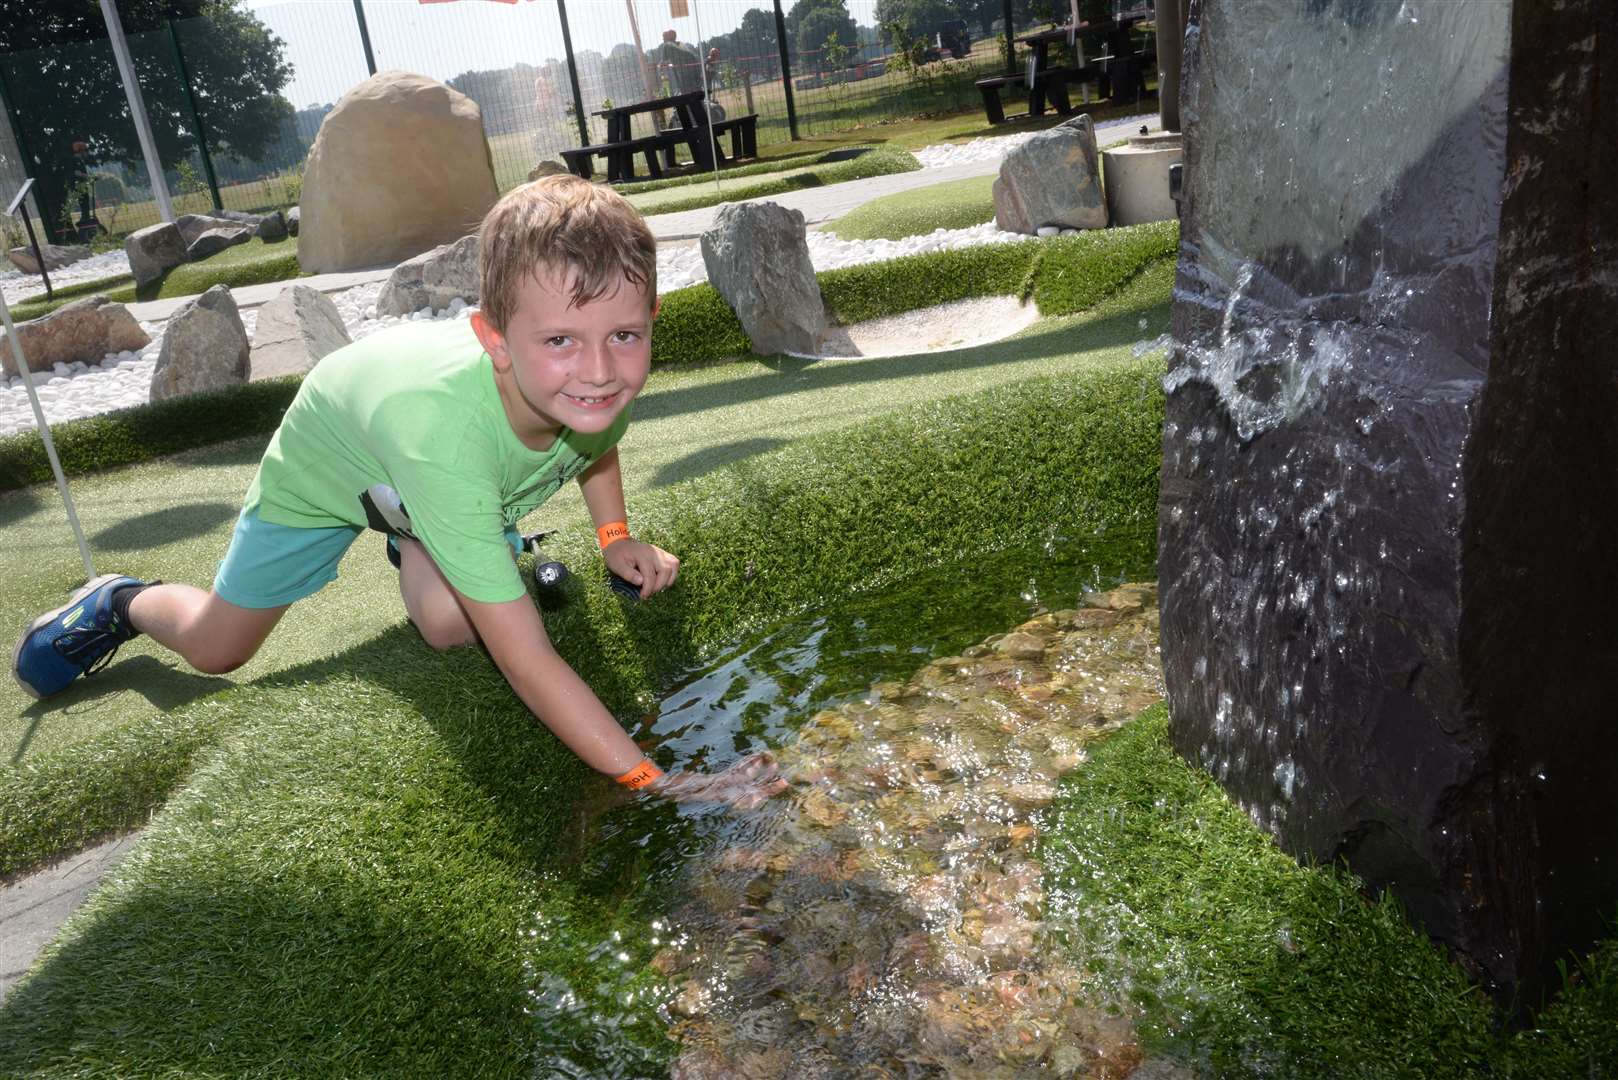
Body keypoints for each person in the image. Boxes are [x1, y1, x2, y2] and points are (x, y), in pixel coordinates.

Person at [12, 175, 785, 808]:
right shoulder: (447, 442)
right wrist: (667, 783)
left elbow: (597, 446)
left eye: (625, 335)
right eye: (560, 340)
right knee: (219, 648)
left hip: (425, 476)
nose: (600, 369)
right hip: (333, 458)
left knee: (451, 625)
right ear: (494, 340)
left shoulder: (591, 382)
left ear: (649, 319)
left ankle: (416, 527)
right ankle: (119, 599)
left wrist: (618, 539)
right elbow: (531, 663)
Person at [656, 29, 704, 96]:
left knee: (685, 93)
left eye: (664, 37)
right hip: (694, 70)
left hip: (683, 73)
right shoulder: (681, 44)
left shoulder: (667, 45)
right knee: (696, 91)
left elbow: (663, 62)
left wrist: (659, 67)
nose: (663, 39)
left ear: (670, 37)